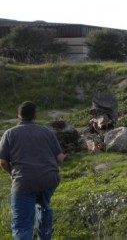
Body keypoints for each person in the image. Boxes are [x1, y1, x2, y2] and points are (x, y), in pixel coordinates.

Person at [0, 101, 66, 240]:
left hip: (24, 182)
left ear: (19, 116)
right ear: (35, 116)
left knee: (22, 225)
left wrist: (12, 173)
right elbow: (60, 158)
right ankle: (45, 234)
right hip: (49, 179)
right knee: (43, 206)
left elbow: (3, 161)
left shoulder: (9, 134)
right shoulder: (47, 131)